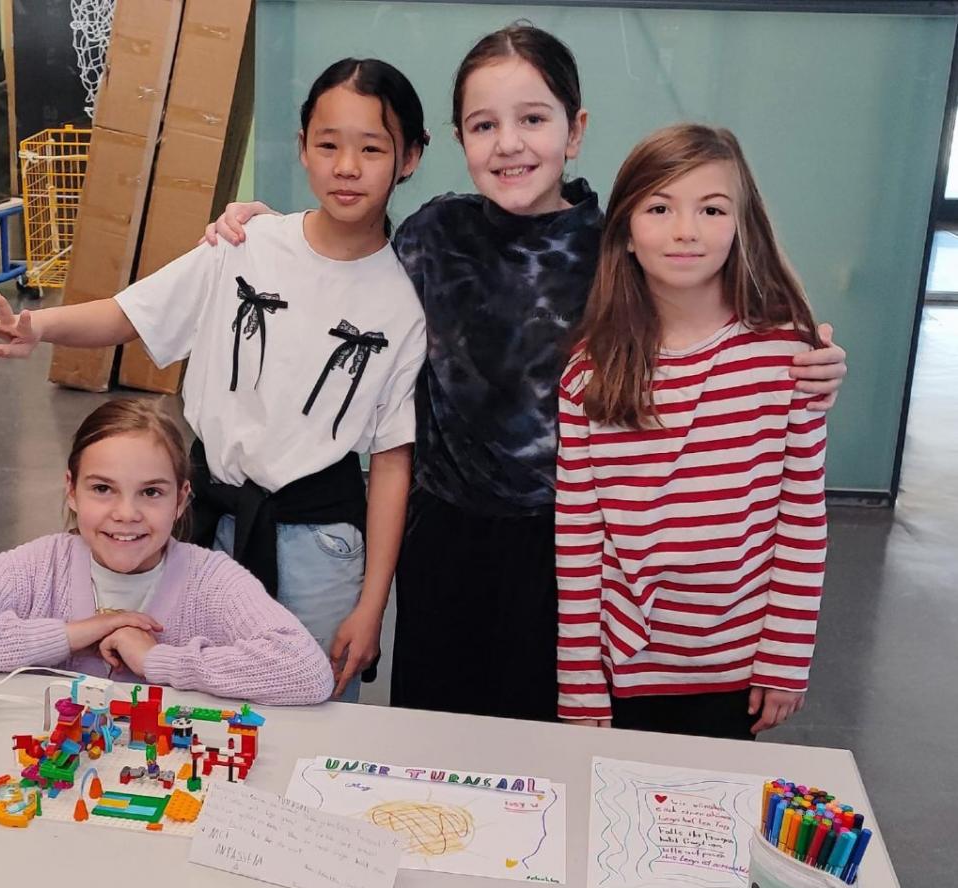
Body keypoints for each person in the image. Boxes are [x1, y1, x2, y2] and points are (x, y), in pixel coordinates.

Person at [204, 23, 846, 720]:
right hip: (441, 537)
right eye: (485, 125)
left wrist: (811, 357)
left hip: (570, 547)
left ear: (575, 131)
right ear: (460, 140)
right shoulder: (433, 237)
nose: (509, 143)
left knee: (547, 741)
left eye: (533, 119)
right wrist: (267, 233)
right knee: (434, 732)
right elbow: (343, 272)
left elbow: (716, 320)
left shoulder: (617, 251)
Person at [0, 58, 431, 703]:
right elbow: (131, 312)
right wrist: (38, 326)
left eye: (372, 149)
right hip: (209, 524)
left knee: (312, 702)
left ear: (410, 157)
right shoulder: (246, 244)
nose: (347, 167)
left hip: (320, 549)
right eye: (328, 145)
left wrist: (372, 605)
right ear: (303, 147)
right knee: (189, 697)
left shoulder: (404, 303)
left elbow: (391, 461)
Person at [555, 124, 826, 739]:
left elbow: (802, 517)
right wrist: (579, 676)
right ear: (625, 233)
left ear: (741, 226)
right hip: (622, 666)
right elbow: (579, 537)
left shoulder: (788, 356)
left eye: (712, 209)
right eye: (660, 208)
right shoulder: (588, 372)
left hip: (738, 665)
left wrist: (786, 655)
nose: (686, 230)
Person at [0, 399, 334, 706]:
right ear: (71, 491)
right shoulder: (38, 566)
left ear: (181, 500)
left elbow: (306, 671)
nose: (126, 514)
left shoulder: (211, 579)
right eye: (102, 489)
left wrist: (155, 660)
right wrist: (74, 633)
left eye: (151, 492)